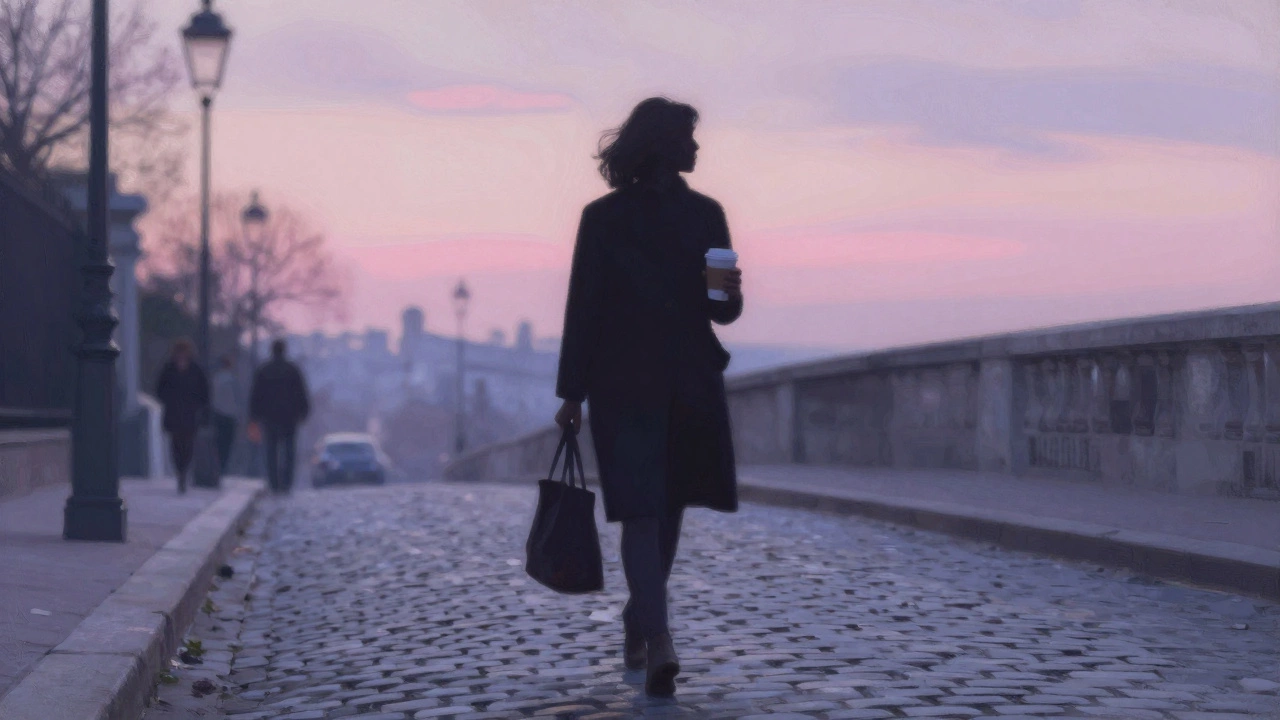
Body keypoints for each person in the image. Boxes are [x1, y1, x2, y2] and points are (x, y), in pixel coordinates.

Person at [553, 97, 744, 698]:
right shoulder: (690, 216)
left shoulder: (618, 217)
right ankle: (658, 638)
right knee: (651, 510)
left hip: (641, 381)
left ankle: (643, 621)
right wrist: (571, 393)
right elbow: (723, 312)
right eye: (689, 136)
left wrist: (573, 392)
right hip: (662, 379)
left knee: (656, 510)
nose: (697, 147)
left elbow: (724, 309)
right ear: (665, 144)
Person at [249, 339, 311, 494]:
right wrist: (303, 412)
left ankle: (274, 482)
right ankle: (287, 482)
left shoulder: (264, 370)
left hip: (269, 416)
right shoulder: (292, 370)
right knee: (289, 450)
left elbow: (256, 395)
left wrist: (254, 416)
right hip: (289, 416)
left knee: (271, 450)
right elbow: (301, 393)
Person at [156, 338, 210, 494]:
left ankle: (184, 472)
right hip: (174, 414)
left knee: (188, 446)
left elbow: (204, 392)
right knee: (175, 445)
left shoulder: (196, 370)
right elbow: (160, 389)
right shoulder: (169, 369)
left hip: (190, 414)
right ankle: (180, 473)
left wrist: (201, 408)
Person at [211, 354, 239, 475]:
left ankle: (218, 467)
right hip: (229, 417)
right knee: (227, 444)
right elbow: (236, 400)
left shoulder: (215, 379)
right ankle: (223, 467)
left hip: (217, 415)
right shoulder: (232, 381)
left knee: (217, 443)